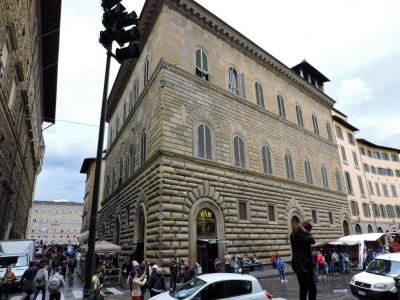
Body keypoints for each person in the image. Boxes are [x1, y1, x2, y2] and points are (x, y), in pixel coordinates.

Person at [290, 221, 316, 300]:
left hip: (299, 265)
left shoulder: (294, 234)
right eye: (309, 230)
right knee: (312, 288)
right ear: (306, 228)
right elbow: (312, 240)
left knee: (303, 288)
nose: (309, 232)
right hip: (304, 265)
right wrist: (304, 231)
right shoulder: (299, 235)